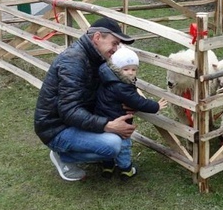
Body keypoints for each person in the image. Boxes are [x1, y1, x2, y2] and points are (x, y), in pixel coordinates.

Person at [34, 17, 137, 182]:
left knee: (113, 141)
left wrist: (124, 103)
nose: (116, 49)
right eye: (114, 43)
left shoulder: (97, 58)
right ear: (97, 38)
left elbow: (104, 90)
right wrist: (108, 125)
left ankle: (82, 147)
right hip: (56, 129)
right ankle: (64, 156)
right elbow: (68, 111)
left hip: (74, 121)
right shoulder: (73, 62)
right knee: (113, 145)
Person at [95, 46, 167, 179]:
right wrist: (156, 106)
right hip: (119, 123)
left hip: (104, 120)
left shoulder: (107, 78)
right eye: (126, 69)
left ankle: (108, 166)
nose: (130, 72)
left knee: (106, 144)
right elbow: (138, 102)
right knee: (123, 146)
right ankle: (125, 169)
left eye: (134, 69)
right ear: (117, 69)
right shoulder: (121, 86)